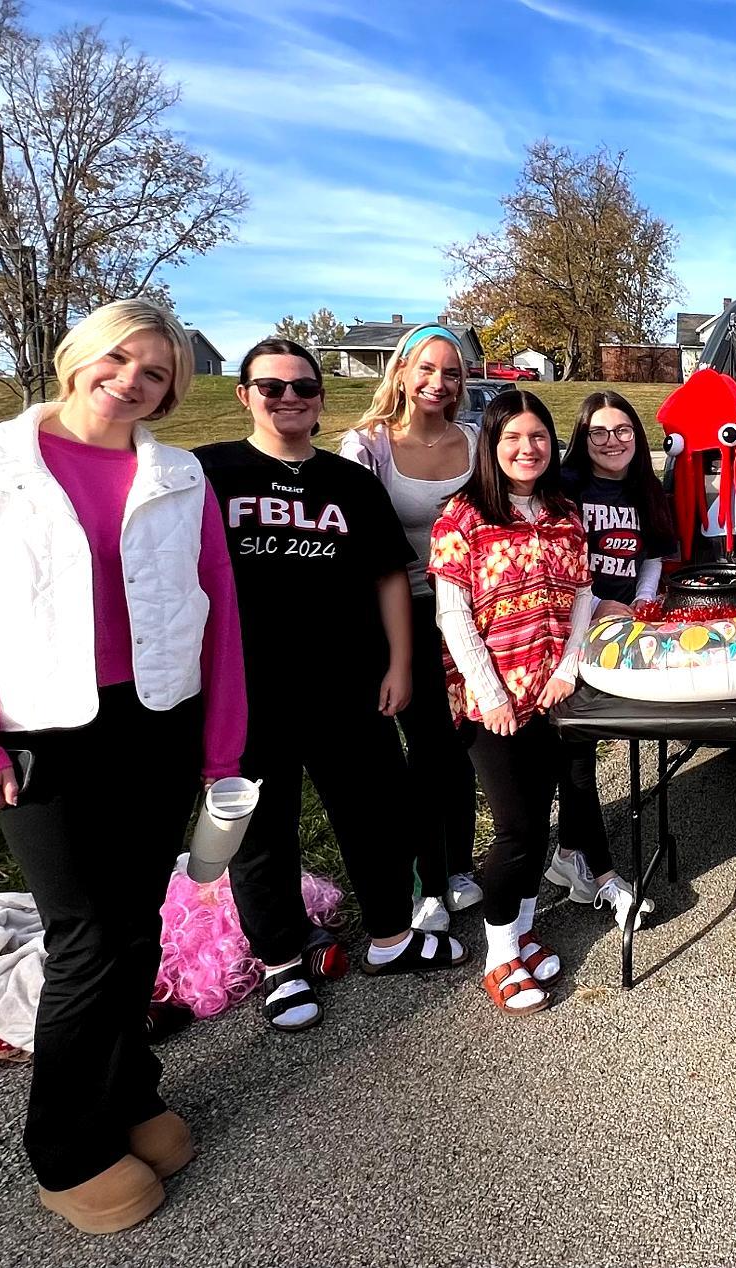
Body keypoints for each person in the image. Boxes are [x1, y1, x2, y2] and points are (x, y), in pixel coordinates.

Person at [0, 300, 246, 1234]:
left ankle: (129, 1096)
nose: (131, 380)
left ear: (173, 389)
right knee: (88, 936)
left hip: (156, 723)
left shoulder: (179, 476)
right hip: (46, 734)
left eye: (157, 371)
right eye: (117, 358)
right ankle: (67, 1149)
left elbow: (216, 610)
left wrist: (221, 747)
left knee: (137, 930)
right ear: (77, 357)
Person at [197, 338, 466, 1033]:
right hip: (248, 689)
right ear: (244, 394)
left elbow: (386, 576)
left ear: (320, 399)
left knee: (373, 812)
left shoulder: (349, 484)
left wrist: (401, 665)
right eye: (272, 387)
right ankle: (283, 964)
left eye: (303, 389)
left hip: (350, 681)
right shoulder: (210, 473)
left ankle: (389, 937)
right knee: (262, 832)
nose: (289, 399)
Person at [429, 391, 596, 1014]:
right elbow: (453, 614)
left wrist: (569, 667)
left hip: (552, 692)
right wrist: (490, 693)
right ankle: (500, 956)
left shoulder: (565, 512)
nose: (527, 450)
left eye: (539, 438)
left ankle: (524, 928)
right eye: (512, 439)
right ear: (491, 447)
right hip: (488, 701)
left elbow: (582, 596)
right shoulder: (463, 516)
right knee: (517, 830)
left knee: (539, 816)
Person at [340, 325, 484, 935]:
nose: (438, 383)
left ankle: (460, 863)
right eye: (426, 369)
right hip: (398, 614)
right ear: (401, 372)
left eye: (451, 372)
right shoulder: (368, 446)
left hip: (473, 613)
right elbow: (351, 541)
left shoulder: (477, 440)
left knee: (464, 746)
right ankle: (427, 873)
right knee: (422, 746)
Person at [546, 390, 677, 921]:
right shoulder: (567, 488)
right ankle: (598, 872)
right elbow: (562, 563)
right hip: (569, 627)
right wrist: (603, 604)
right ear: (582, 438)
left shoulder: (646, 489)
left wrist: (641, 602)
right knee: (575, 752)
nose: (612, 441)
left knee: (589, 743)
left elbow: (650, 556)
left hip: (617, 629)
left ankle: (569, 855)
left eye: (623, 430)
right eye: (598, 432)